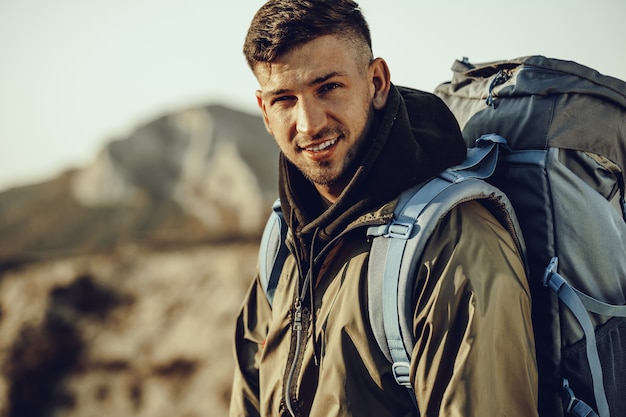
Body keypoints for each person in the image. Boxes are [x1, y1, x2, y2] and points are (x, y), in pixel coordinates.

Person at [230, 1, 538, 416]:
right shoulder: (285, 239)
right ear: (265, 112)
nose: (309, 123)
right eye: (285, 99)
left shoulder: (456, 243)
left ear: (376, 82)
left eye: (329, 87)